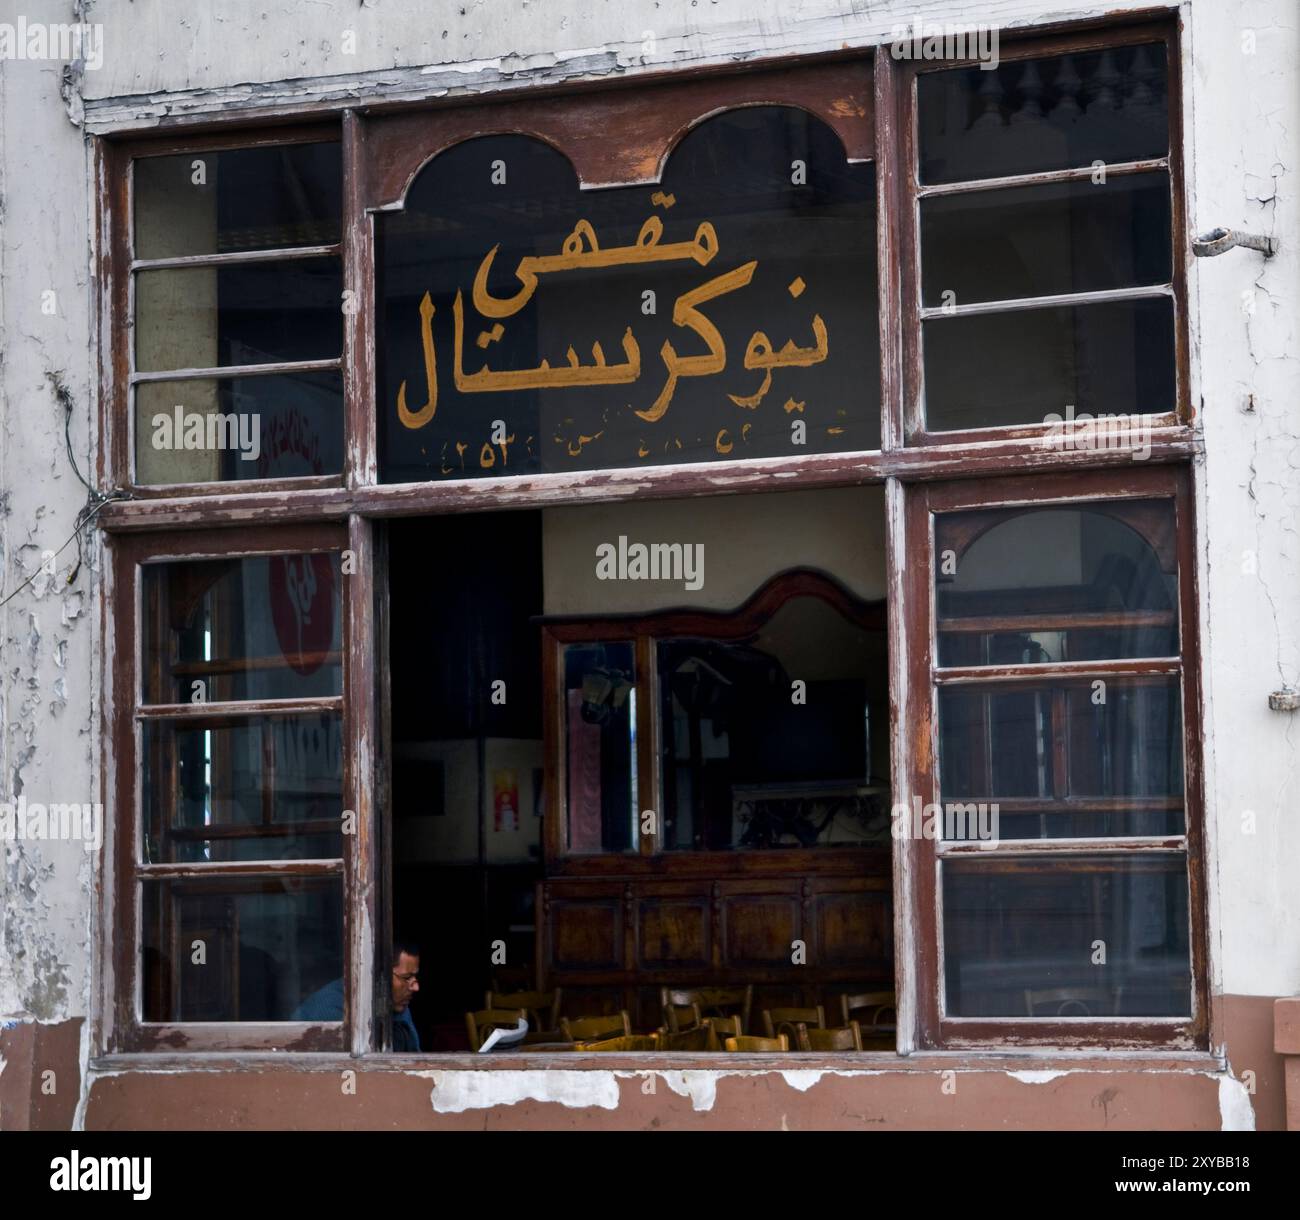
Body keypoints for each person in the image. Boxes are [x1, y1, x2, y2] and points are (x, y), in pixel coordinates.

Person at [291, 939, 421, 1051]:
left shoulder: (394, 1003)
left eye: (414, 977)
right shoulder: (330, 1011)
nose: (416, 987)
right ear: (380, 975)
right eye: (406, 977)